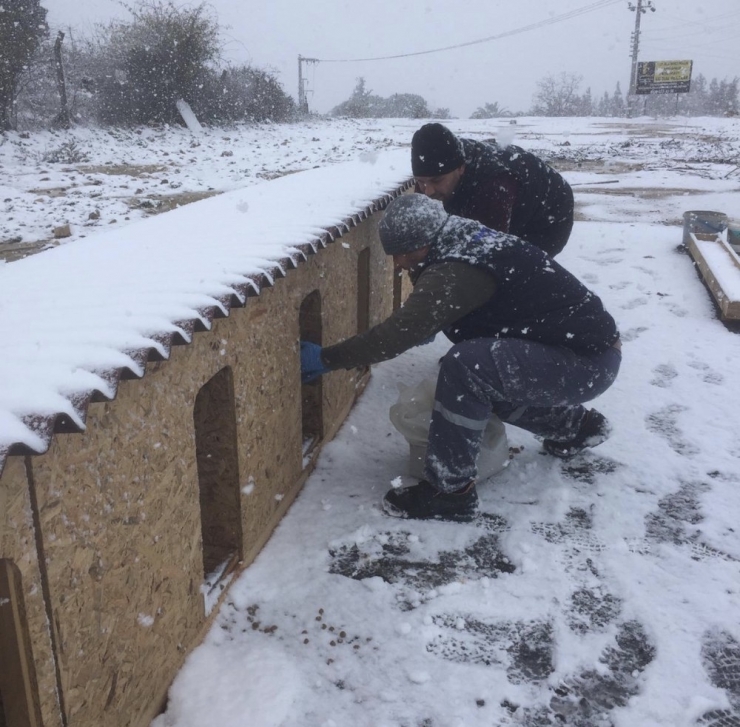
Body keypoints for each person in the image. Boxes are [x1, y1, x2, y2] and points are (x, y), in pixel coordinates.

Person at [300, 194, 620, 523]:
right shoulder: (459, 235)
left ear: (424, 242)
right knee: (488, 379)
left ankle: (450, 492)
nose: (398, 264)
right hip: (589, 353)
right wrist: (436, 319)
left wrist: (326, 359)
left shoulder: (455, 269)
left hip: (585, 362)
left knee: (468, 367)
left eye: (403, 254)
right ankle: (578, 427)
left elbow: (395, 336)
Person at [411, 122, 574, 257]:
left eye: (437, 180)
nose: (428, 191)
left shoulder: (494, 186)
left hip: (549, 215)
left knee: (505, 269)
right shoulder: (440, 168)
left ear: (461, 168)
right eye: (420, 182)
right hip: (510, 195)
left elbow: (487, 250)